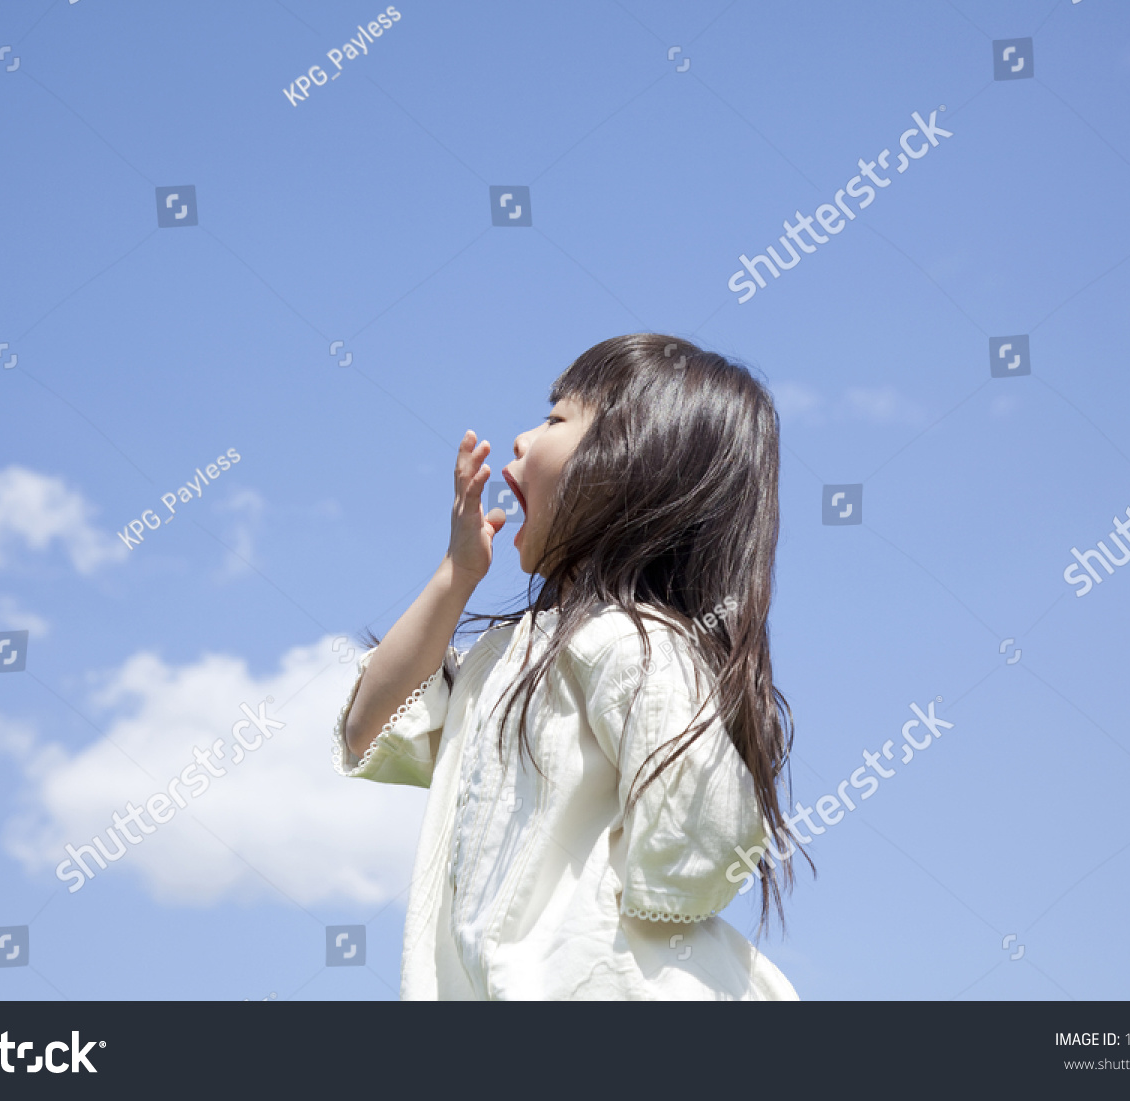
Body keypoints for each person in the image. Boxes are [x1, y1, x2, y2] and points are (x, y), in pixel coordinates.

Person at [333, 333, 804, 1000]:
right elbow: (366, 726)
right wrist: (456, 573)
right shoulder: (506, 658)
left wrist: (609, 914)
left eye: (557, 419)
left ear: (635, 460)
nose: (522, 440)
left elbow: (706, 833)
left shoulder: (629, 641)